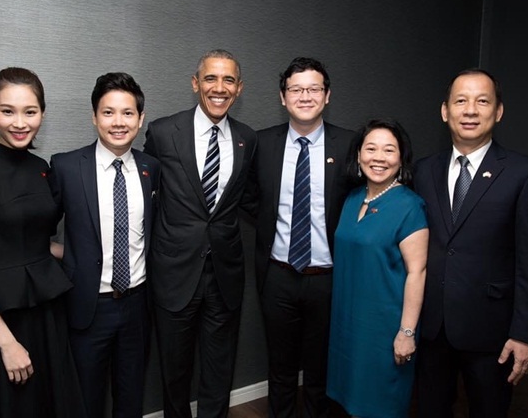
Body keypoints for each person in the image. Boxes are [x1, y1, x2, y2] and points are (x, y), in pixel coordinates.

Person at [413, 68, 528, 418]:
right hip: (431, 327)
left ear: (498, 111)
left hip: (492, 332)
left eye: (482, 101)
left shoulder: (525, 174)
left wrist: (526, 334)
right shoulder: (423, 170)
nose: (470, 110)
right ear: (445, 111)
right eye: (461, 101)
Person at [0, 67, 86, 418]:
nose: (20, 123)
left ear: (43, 113)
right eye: (7, 111)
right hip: (3, 319)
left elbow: (37, 242)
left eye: (30, 111)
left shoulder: (42, 168)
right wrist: (7, 343)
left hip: (49, 314)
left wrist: (89, 255)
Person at [143, 49, 257, 418]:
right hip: (174, 273)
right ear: (196, 83)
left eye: (228, 80)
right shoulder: (162, 132)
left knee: (219, 369)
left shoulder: (247, 138)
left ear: (239, 88)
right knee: (174, 372)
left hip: (225, 273)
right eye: (210, 78)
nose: (219, 88)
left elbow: (250, 198)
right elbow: (144, 197)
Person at [243, 57, 356, 418]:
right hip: (278, 275)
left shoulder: (350, 144)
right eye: (296, 89)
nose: (305, 96)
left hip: (329, 278)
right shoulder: (261, 143)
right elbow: (248, 197)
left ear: (327, 95)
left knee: (322, 369)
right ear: (283, 97)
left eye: (313, 89)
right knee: (280, 368)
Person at [48, 72, 160, 418]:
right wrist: (71, 257)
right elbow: (39, 232)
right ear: (94, 117)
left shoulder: (151, 167)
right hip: (88, 305)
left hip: (138, 304)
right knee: (86, 399)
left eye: (127, 113)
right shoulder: (66, 166)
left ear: (140, 119)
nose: (118, 122)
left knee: (131, 396)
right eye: (108, 112)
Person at [326, 118, 428, 418]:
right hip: (348, 322)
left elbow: (417, 272)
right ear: (358, 155)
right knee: (349, 400)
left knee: (380, 403)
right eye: (370, 149)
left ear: (401, 158)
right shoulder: (352, 198)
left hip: (384, 327)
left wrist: (406, 332)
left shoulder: (410, 206)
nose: (378, 158)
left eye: (389, 150)